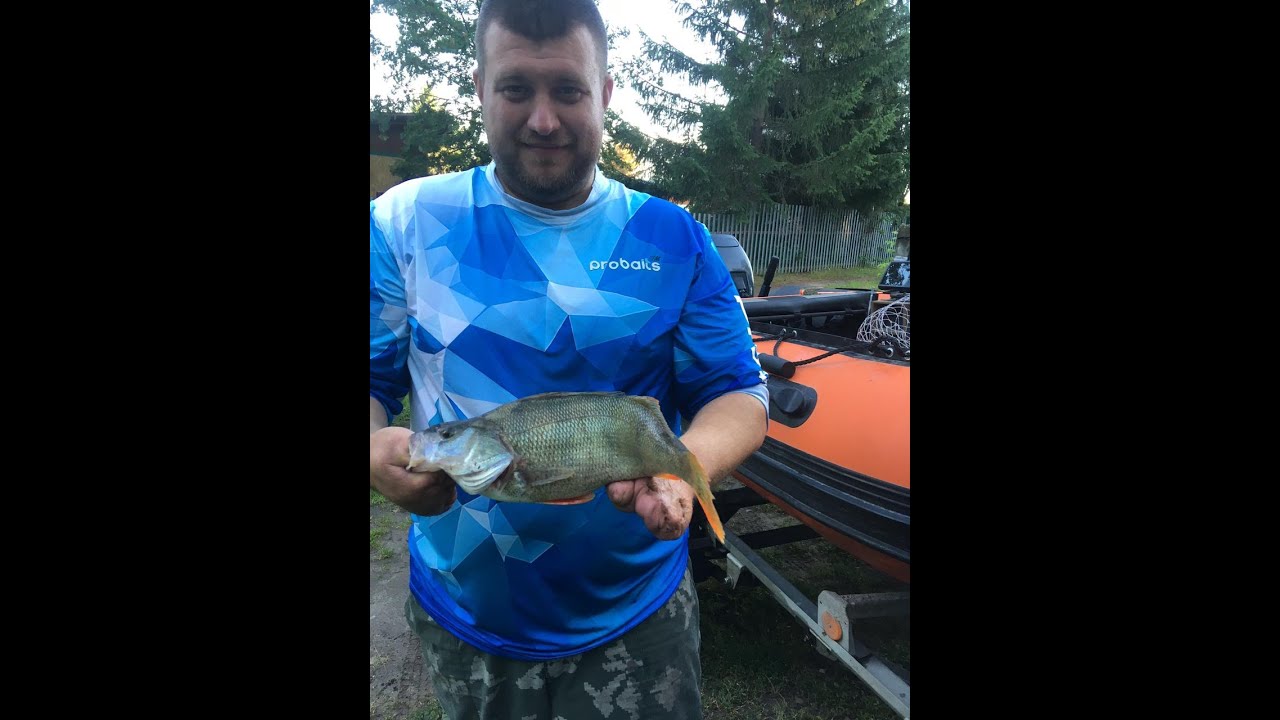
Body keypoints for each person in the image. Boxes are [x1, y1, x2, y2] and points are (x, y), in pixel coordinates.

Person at [369, 1, 768, 717]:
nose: (544, 119)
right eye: (516, 89)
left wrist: (685, 473)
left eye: (568, 90)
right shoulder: (402, 221)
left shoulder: (674, 237)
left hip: (640, 619)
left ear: (605, 92)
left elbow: (738, 391)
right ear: (479, 87)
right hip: (466, 617)